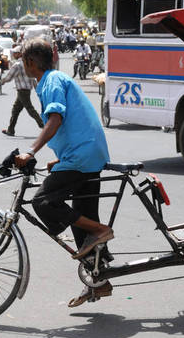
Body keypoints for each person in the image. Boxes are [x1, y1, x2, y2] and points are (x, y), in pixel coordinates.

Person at [14, 38, 113, 307]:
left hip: (82, 156)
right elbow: (72, 124)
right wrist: (58, 160)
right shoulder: (50, 80)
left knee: (43, 201)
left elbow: (56, 119)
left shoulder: (51, 81)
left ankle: (102, 230)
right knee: (81, 221)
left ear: (30, 62)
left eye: (23, 60)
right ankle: (98, 282)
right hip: (85, 154)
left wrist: (31, 152)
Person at [0, 46, 44, 136]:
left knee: (30, 109)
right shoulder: (29, 63)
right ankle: (10, 130)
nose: (14, 54)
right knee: (15, 110)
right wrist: (37, 89)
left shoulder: (17, 65)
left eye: (15, 53)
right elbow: (33, 78)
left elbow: (9, 77)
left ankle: (44, 125)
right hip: (26, 90)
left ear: (20, 53)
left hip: (22, 90)